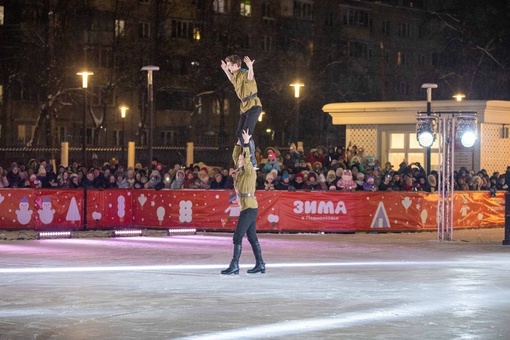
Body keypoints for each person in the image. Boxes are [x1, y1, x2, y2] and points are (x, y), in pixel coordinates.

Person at [221, 129, 265, 275]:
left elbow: (246, 159)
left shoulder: (250, 171)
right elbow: (236, 156)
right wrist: (239, 143)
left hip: (250, 208)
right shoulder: (240, 172)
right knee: (252, 237)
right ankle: (260, 264)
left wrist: (246, 144)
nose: (238, 160)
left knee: (237, 236)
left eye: (241, 159)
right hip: (246, 207)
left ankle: (234, 265)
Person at [221, 54, 262, 169]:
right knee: (239, 133)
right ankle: (245, 156)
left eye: (229, 65)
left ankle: (252, 161)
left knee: (246, 133)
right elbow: (232, 80)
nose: (228, 67)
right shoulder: (236, 75)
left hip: (253, 106)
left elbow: (250, 77)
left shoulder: (243, 72)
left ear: (235, 65)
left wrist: (250, 67)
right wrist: (225, 70)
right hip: (245, 107)